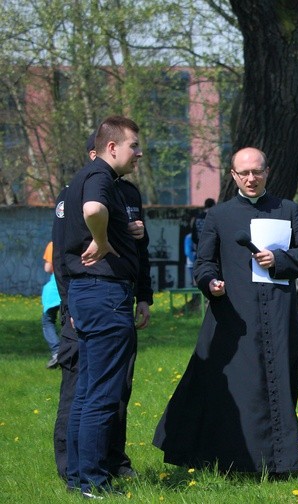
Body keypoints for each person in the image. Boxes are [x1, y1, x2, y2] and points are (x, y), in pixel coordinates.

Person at [153, 147, 298, 476]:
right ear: (233, 176)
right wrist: (210, 282)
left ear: (267, 172)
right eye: (244, 173)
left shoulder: (287, 209)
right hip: (234, 316)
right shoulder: (219, 216)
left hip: (279, 314)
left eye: (257, 171)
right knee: (236, 388)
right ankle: (231, 461)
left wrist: (280, 261)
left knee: (276, 385)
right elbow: (204, 263)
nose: (251, 178)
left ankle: (278, 463)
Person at [52, 130, 152, 484]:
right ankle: (90, 478)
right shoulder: (95, 177)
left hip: (101, 295)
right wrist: (102, 240)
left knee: (94, 391)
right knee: (98, 393)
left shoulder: (119, 188)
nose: (139, 153)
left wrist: (127, 232)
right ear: (110, 148)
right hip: (99, 296)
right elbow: (71, 244)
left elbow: (135, 246)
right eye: (134, 146)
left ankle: (85, 474)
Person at [41, 241, 61, 369]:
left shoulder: (53, 244)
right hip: (73, 287)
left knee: (48, 321)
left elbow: (48, 268)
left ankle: (57, 351)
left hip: (55, 288)